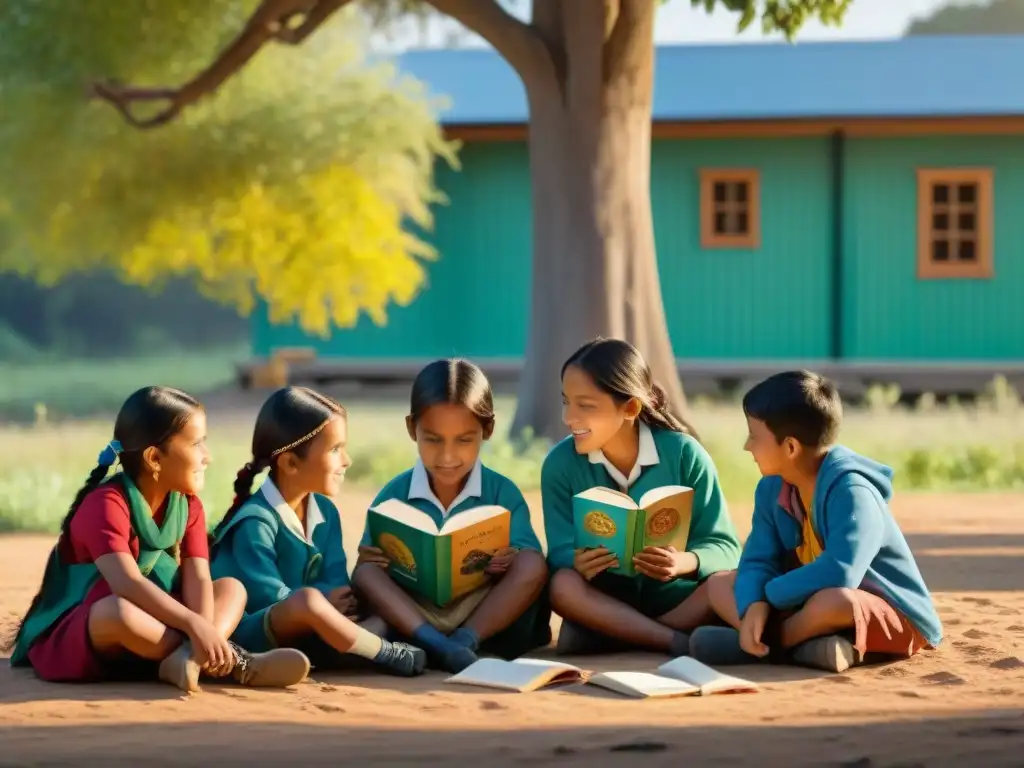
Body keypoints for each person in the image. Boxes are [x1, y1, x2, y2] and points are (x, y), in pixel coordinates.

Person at [7, 386, 309, 692]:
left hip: (161, 620)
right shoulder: (106, 504)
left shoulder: (188, 505)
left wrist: (203, 626)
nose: (208, 457)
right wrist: (194, 626)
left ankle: (188, 659)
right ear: (154, 457)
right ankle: (237, 662)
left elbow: (199, 578)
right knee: (118, 612)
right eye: (197, 444)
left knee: (231, 588)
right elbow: (126, 585)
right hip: (96, 625)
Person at [689, 370, 944, 673]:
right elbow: (758, 558)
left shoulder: (853, 492)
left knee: (835, 601)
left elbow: (840, 571)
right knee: (721, 584)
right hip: (802, 600)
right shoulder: (772, 488)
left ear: (791, 447)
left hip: (883, 611)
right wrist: (754, 604)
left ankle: (768, 645)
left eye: (754, 437)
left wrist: (767, 594)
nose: (748, 447)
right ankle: (810, 647)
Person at [541, 338, 741, 656]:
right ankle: (675, 642)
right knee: (563, 586)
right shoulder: (560, 464)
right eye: (566, 401)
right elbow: (560, 551)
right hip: (603, 601)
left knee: (725, 584)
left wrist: (685, 562)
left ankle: (615, 636)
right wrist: (576, 561)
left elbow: (726, 547)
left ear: (631, 407)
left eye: (586, 405)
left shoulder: (685, 454)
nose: (569, 417)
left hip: (677, 601)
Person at [209, 386, 427, 677]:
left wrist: (343, 597)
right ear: (290, 463)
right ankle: (383, 652)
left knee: (380, 597)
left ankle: (342, 647)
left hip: (317, 624)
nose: (346, 460)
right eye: (335, 449)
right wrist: (324, 599)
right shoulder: (256, 521)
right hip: (255, 631)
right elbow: (267, 596)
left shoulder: (325, 511)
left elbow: (336, 576)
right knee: (307, 601)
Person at [353, 358, 551, 673]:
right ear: (411, 429)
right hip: (417, 610)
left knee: (532, 564)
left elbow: (527, 561)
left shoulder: (502, 492)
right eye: (432, 439)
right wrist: (372, 559)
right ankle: (439, 645)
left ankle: (463, 641)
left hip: (483, 610)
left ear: (487, 430)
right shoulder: (392, 495)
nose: (447, 456)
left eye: (464, 440)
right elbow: (369, 566)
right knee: (365, 575)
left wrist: (509, 559)